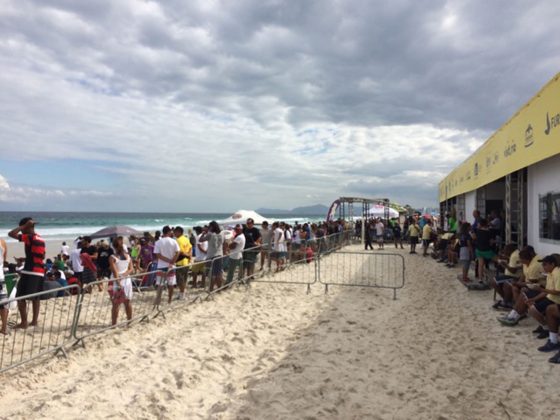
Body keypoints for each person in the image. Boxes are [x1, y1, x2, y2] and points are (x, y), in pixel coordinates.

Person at [8, 217, 45, 329]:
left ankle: (24, 322)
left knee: (20, 296)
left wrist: (24, 226)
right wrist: (26, 258)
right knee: (36, 297)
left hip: (31, 271)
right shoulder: (40, 238)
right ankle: (34, 321)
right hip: (40, 271)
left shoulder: (30, 237)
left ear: (28, 227)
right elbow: (41, 256)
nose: (22, 231)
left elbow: (11, 234)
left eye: (23, 228)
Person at [498, 247, 544, 326]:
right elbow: (524, 274)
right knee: (514, 287)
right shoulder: (527, 263)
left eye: (522, 260)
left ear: (527, 259)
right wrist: (518, 282)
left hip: (538, 287)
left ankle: (516, 314)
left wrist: (519, 284)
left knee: (523, 292)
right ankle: (516, 313)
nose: (521, 262)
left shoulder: (535, 265)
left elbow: (533, 282)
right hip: (530, 284)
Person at [525, 255, 560, 351]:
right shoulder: (550, 273)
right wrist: (534, 299)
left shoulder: (557, 273)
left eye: (545, 264)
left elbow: (557, 291)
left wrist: (541, 289)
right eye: (543, 264)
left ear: (552, 264)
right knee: (531, 306)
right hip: (550, 298)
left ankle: (547, 329)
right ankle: (547, 329)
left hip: (556, 299)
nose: (543, 267)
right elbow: (545, 291)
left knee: (534, 309)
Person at [108, 237, 133, 326]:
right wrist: (124, 275)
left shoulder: (112, 257)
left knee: (115, 305)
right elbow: (131, 269)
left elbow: (115, 273)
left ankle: (114, 324)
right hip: (127, 281)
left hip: (116, 282)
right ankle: (129, 322)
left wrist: (119, 283)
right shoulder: (128, 256)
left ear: (113, 247)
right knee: (127, 303)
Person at [154, 226, 180, 305]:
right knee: (171, 284)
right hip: (171, 266)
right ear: (168, 232)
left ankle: (158, 300)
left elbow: (158, 255)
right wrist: (172, 261)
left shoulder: (158, 242)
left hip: (161, 266)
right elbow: (178, 252)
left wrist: (168, 260)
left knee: (160, 284)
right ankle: (169, 300)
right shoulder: (173, 241)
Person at [491, 244, 522, 310]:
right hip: (510, 275)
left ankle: (506, 301)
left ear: (509, 250)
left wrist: (504, 264)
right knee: (496, 280)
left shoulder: (514, 256)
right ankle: (506, 300)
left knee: (494, 281)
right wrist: (503, 258)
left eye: (505, 250)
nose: (505, 252)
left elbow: (513, 270)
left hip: (513, 276)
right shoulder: (515, 253)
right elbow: (511, 262)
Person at [199, 221, 224, 292]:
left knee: (211, 274)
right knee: (218, 273)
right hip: (219, 255)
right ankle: (219, 289)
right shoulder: (221, 234)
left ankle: (211, 289)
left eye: (209, 226)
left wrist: (203, 234)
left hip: (211, 256)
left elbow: (200, 240)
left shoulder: (210, 234)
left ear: (212, 227)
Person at [174, 226, 192, 300]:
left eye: (175, 232)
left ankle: (182, 294)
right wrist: (189, 257)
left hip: (180, 262)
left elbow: (180, 251)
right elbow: (190, 247)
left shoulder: (178, 240)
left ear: (179, 232)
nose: (174, 233)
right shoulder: (186, 239)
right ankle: (182, 293)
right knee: (184, 279)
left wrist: (187, 255)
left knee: (180, 280)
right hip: (186, 262)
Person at [0, 237, 8, 334]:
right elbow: (4, 259)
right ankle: (4, 328)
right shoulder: (2, 241)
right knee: (3, 304)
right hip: (0, 277)